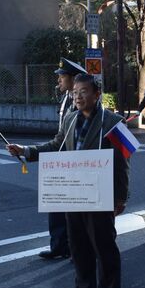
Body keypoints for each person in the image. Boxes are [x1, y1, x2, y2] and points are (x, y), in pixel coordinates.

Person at [7, 74, 130, 288]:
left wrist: (120, 197)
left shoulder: (115, 122)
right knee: (78, 246)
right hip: (74, 193)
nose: (77, 96)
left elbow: (124, 161)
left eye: (83, 91)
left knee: (104, 247)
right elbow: (56, 146)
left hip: (100, 193)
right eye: (75, 91)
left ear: (97, 95)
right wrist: (27, 151)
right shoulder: (70, 119)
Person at [40, 57, 85, 260]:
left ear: (74, 79)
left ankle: (76, 249)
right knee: (56, 206)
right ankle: (59, 246)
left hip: (73, 163)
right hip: (61, 160)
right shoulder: (67, 98)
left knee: (75, 212)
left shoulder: (81, 102)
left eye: (62, 77)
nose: (58, 80)